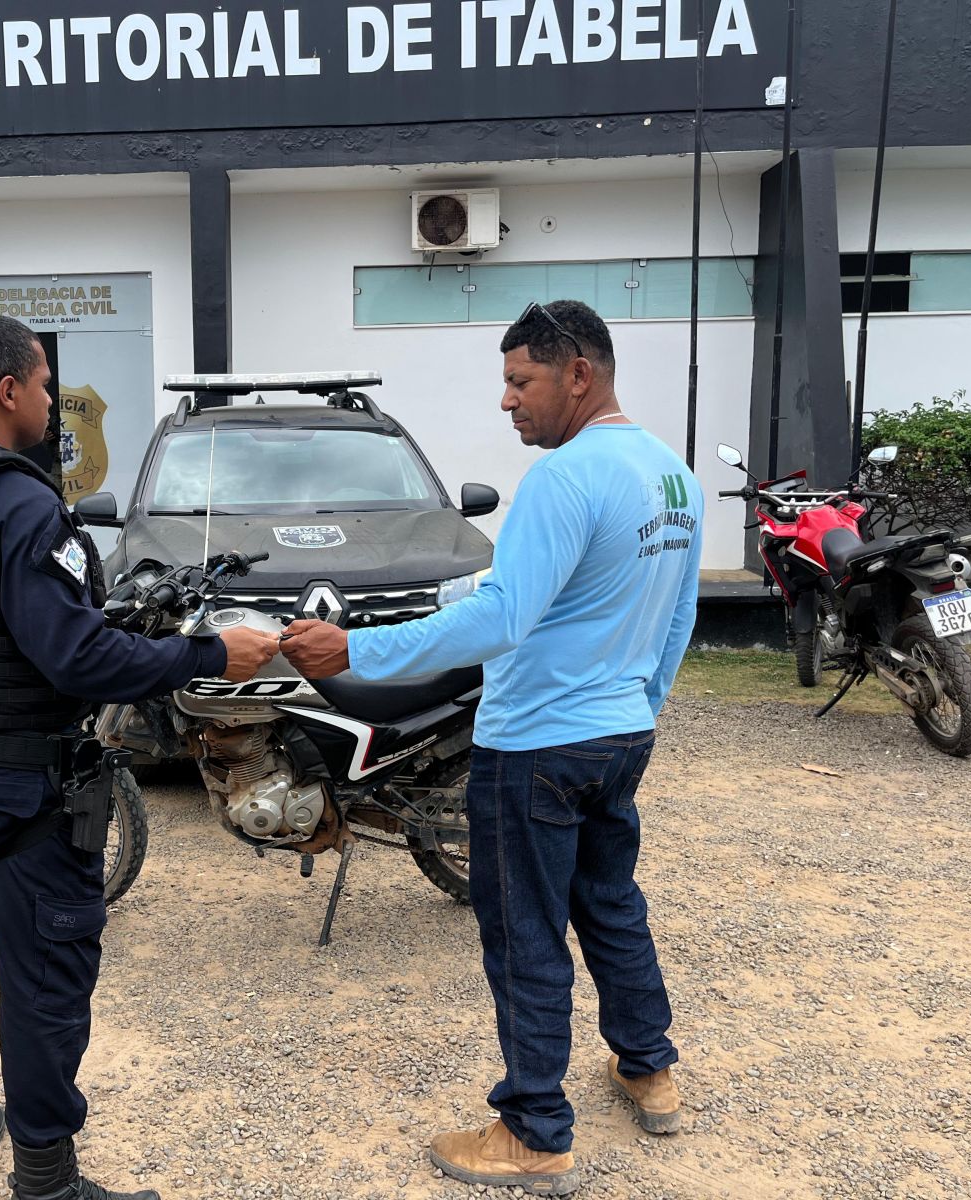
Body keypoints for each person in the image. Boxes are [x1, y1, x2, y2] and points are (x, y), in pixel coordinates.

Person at [0, 312, 278, 1200]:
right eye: (45, 384)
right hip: (24, 791)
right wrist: (209, 657)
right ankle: (46, 1181)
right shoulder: (18, 502)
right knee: (44, 984)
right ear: (9, 390)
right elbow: (76, 656)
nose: (51, 402)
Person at [281, 300, 702, 1196]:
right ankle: (647, 1066)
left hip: (537, 746)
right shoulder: (672, 475)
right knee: (610, 903)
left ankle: (535, 1130)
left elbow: (505, 619)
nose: (507, 402)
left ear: (577, 374)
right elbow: (676, 616)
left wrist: (354, 648)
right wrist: (640, 707)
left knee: (524, 935)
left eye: (521, 382)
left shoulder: (564, 477)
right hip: (618, 732)